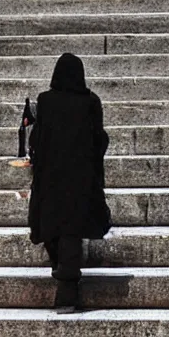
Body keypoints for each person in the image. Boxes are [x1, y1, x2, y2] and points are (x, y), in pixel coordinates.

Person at [28, 53, 111, 313]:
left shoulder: (45, 101)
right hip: (80, 176)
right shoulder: (90, 101)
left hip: (51, 176)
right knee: (71, 230)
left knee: (53, 227)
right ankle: (67, 288)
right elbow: (99, 139)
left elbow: (37, 140)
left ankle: (63, 277)